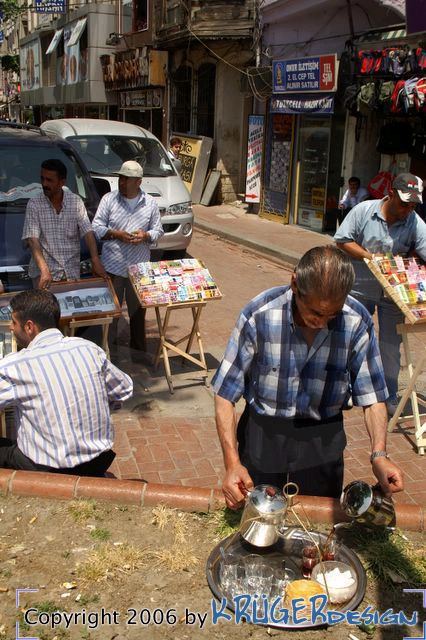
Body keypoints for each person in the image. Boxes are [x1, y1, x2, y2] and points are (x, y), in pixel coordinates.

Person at [212, 245, 404, 509]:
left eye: (332, 314)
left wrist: (379, 455)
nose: (322, 322)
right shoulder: (260, 315)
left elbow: (372, 398)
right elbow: (225, 394)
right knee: (258, 520)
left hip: (323, 440)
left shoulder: (356, 320)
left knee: (317, 526)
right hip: (265, 435)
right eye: (314, 312)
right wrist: (232, 464)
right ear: (294, 284)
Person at [0, 289, 133, 476]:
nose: (11, 328)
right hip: (98, 460)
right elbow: (125, 390)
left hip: (46, 467)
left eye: (14, 322)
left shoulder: (15, 365)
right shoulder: (88, 348)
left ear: (29, 327)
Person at [335, 173, 426, 416]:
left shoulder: (415, 222)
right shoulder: (364, 210)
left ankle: (388, 396)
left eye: (413, 205)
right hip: (359, 288)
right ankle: (345, 388)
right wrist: (369, 257)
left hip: (393, 296)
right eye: (404, 203)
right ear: (392, 193)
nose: (408, 209)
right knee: (350, 338)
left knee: (390, 346)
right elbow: (342, 240)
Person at [92, 160, 164, 354]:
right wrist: (117, 234)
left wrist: (146, 236)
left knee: (138, 314)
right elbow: (96, 227)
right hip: (113, 267)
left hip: (138, 270)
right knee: (112, 314)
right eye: (120, 178)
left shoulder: (150, 203)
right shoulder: (109, 199)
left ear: (138, 182)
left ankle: (139, 355)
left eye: (126, 179)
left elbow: (158, 230)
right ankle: (109, 355)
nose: (121, 182)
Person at [22, 158, 107, 289]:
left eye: (49, 180)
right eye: (42, 178)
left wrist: (95, 260)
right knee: (46, 309)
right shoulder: (34, 204)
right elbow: (33, 240)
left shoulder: (75, 202)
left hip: (71, 273)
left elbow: (88, 232)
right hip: (45, 275)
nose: (44, 183)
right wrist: (44, 271)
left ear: (62, 182)